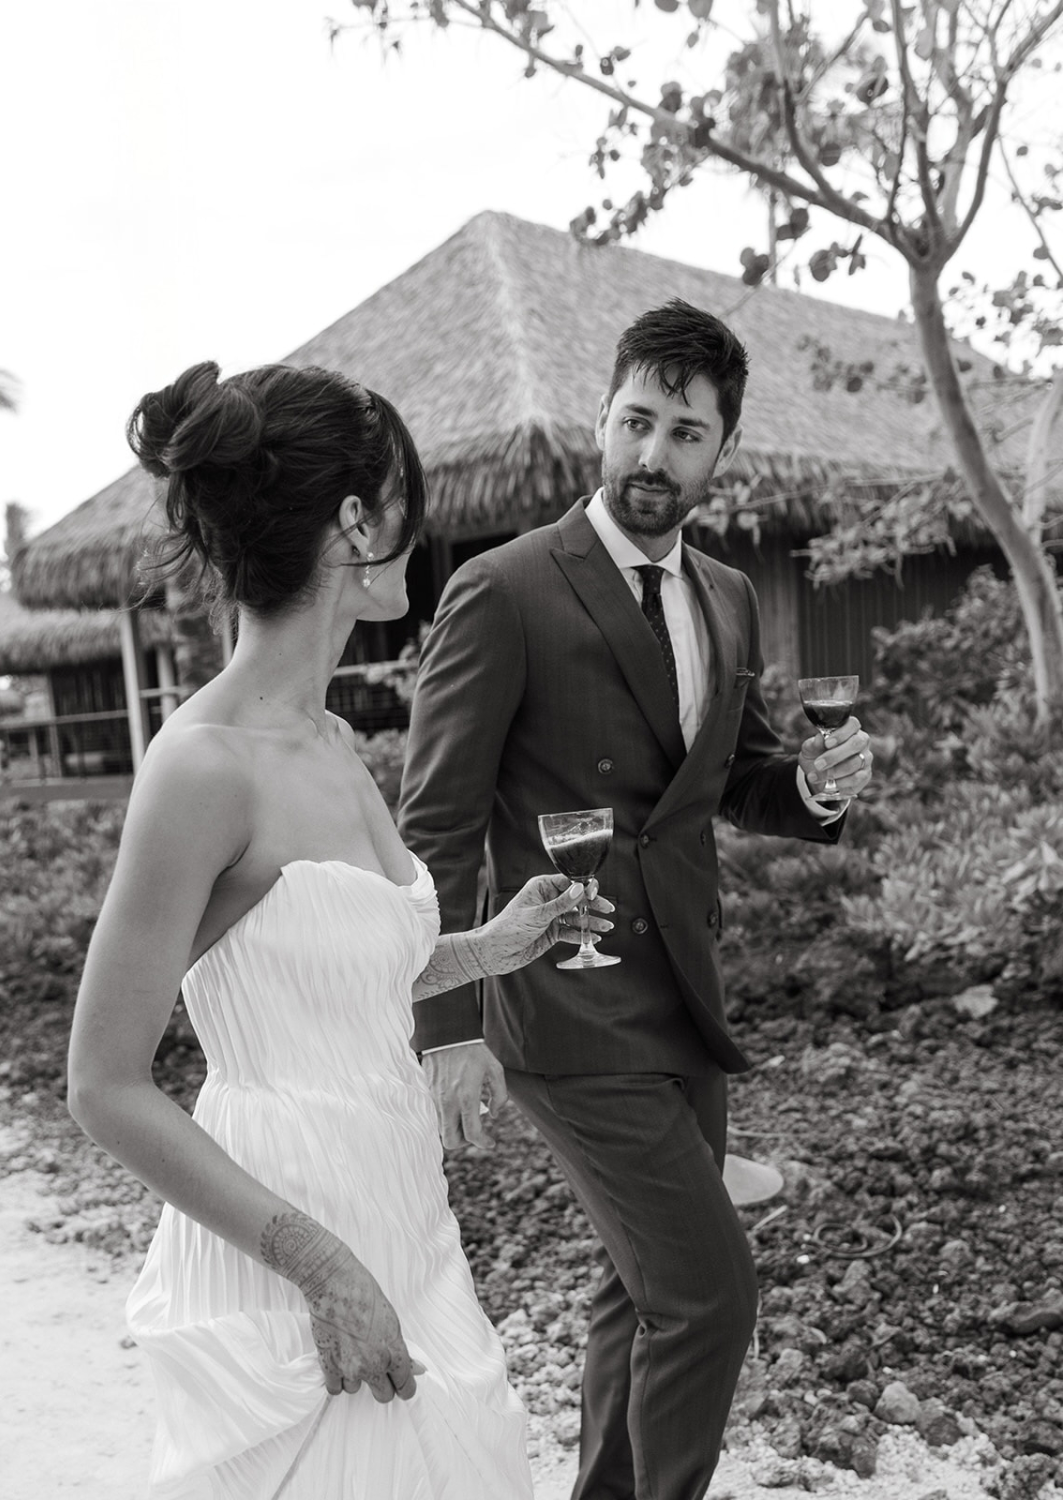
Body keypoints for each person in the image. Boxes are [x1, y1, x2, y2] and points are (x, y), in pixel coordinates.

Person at [66, 359, 614, 1500]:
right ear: (357, 521)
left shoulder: (334, 743)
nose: (423, 531)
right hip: (285, 1242)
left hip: (405, 1212)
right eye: (407, 503)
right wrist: (318, 1265)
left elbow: (338, 978)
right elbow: (103, 1083)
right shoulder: (201, 768)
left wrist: (493, 947)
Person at [399, 299, 876, 1500]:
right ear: (602, 420)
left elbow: (729, 780)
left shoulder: (727, 595)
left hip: (684, 1001)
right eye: (636, 421)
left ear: (722, 450)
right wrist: (444, 1026)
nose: (653, 453)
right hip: (565, 1005)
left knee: (639, 1289)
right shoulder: (504, 589)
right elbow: (435, 830)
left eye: (685, 432)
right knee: (708, 1296)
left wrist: (812, 789)